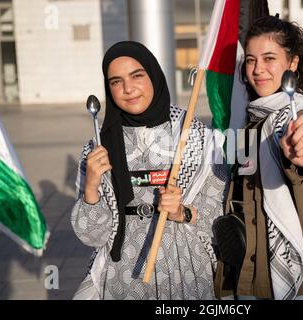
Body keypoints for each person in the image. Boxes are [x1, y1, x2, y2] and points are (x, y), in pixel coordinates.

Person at [214, 15, 303, 300]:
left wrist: (302, 157)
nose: (258, 69)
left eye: (269, 59)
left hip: (295, 277)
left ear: (292, 64)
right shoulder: (251, 117)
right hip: (251, 270)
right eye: (252, 60)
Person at [71, 41, 228, 300]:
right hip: (122, 273)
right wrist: (91, 188)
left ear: (154, 75)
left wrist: (182, 212)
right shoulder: (98, 147)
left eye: (137, 76)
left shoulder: (196, 136)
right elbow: (91, 235)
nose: (128, 89)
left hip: (185, 270)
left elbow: (220, 217)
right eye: (116, 82)